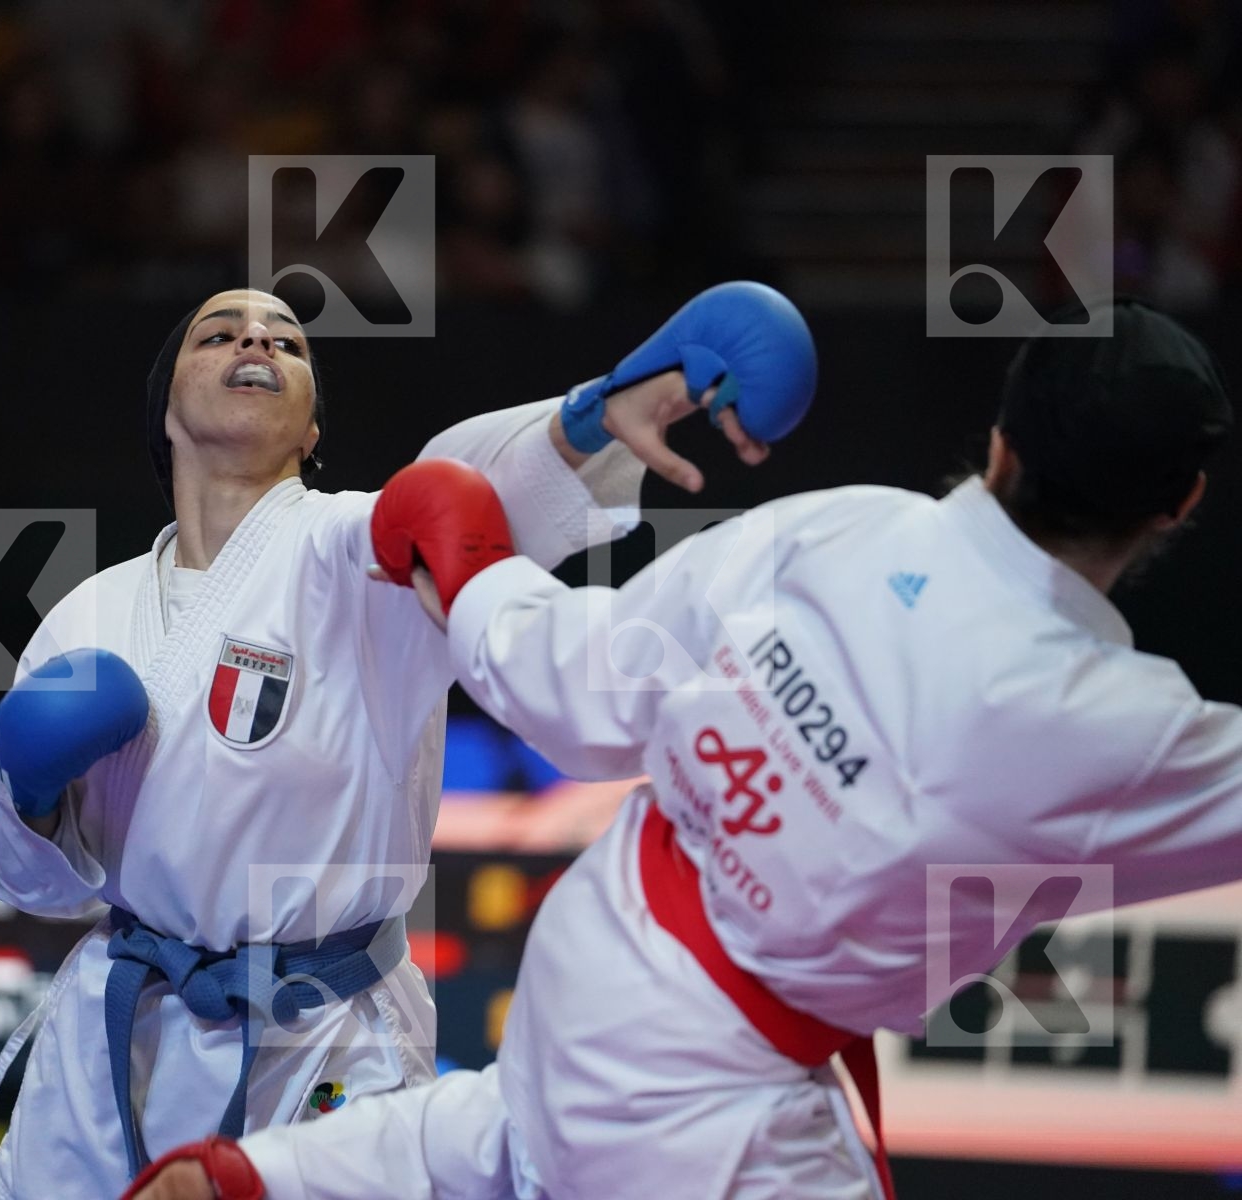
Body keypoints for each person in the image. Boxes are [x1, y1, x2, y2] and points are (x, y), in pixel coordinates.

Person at [126, 297, 1242, 1200]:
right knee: (560, 1138)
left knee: (526, 1140)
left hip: (589, 971)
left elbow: (571, 691)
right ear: (1181, 504)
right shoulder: (1129, 734)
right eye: (220, 332)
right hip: (708, 1103)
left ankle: (269, 1176)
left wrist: (470, 565)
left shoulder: (847, 525)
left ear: (1000, 439)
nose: (253, 347)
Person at [0, 283, 812, 1199]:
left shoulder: (353, 559)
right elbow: (37, 887)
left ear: (311, 436)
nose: (256, 339)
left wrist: (598, 414)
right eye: (219, 334)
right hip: (117, 1037)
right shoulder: (89, 613)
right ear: (166, 413)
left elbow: (459, 499)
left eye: (287, 343)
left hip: (322, 1039)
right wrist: (30, 793)